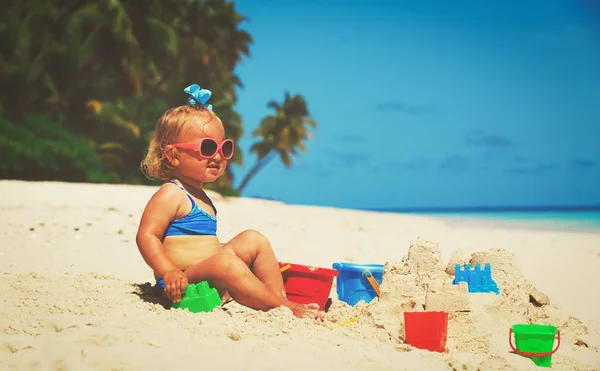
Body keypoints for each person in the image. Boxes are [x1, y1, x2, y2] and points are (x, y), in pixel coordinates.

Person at [136, 84, 323, 319]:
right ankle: (286, 309)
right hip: (181, 282)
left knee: (253, 239)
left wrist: (223, 251)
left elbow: (201, 245)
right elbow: (147, 235)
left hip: (206, 273)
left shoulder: (202, 197)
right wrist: (168, 271)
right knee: (226, 263)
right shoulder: (172, 193)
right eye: (207, 147)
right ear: (174, 155)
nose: (218, 156)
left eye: (224, 148)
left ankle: (279, 300)